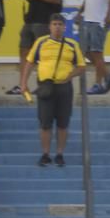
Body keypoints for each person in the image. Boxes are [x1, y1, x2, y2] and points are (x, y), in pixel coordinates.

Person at [20, 14, 83, 168]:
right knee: (45, 123)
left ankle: (60, 153)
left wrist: (69, 76)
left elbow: (81, 66)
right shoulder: (41, 42)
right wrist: (23, 83)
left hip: (64, 87)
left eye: (60, 24)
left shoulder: (72, 44)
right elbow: (29, 62)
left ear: (64, 27)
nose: (57, 27)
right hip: (45, 86)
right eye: (54, 24)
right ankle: (46, 154)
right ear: (49, 26)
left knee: (63, 123)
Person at [78, 0, 110, 96]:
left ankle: (98, 84)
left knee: (97, 53)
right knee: (85, 50)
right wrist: (80, 12)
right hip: (88, 20)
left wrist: (109, 15)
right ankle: (108, 75)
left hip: (99, 21)